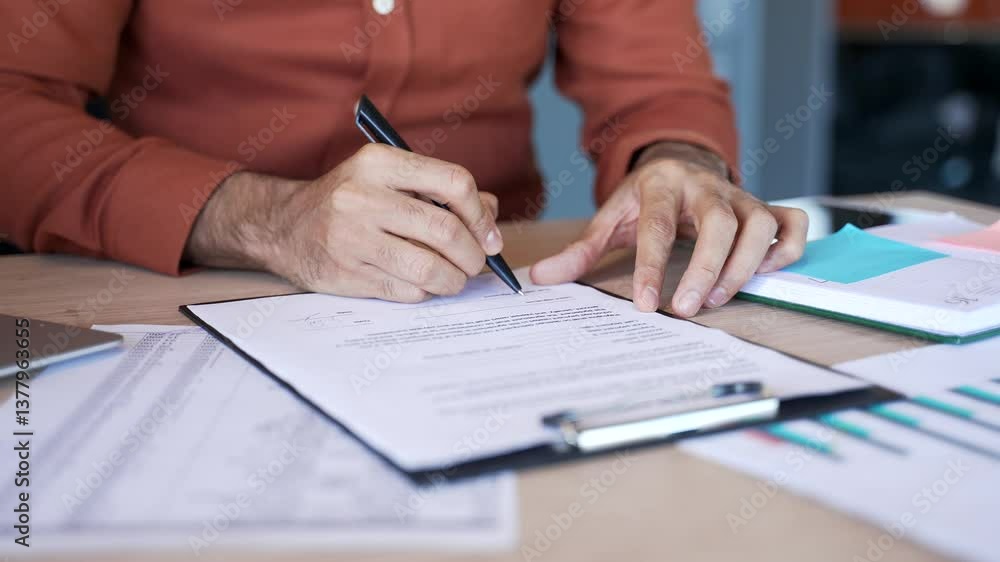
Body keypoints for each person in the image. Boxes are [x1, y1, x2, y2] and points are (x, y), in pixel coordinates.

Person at [0, 0, 806, 317]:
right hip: (181, 301)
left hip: (482, 304)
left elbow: (657, 88)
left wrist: (677, 162)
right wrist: (262, 219)